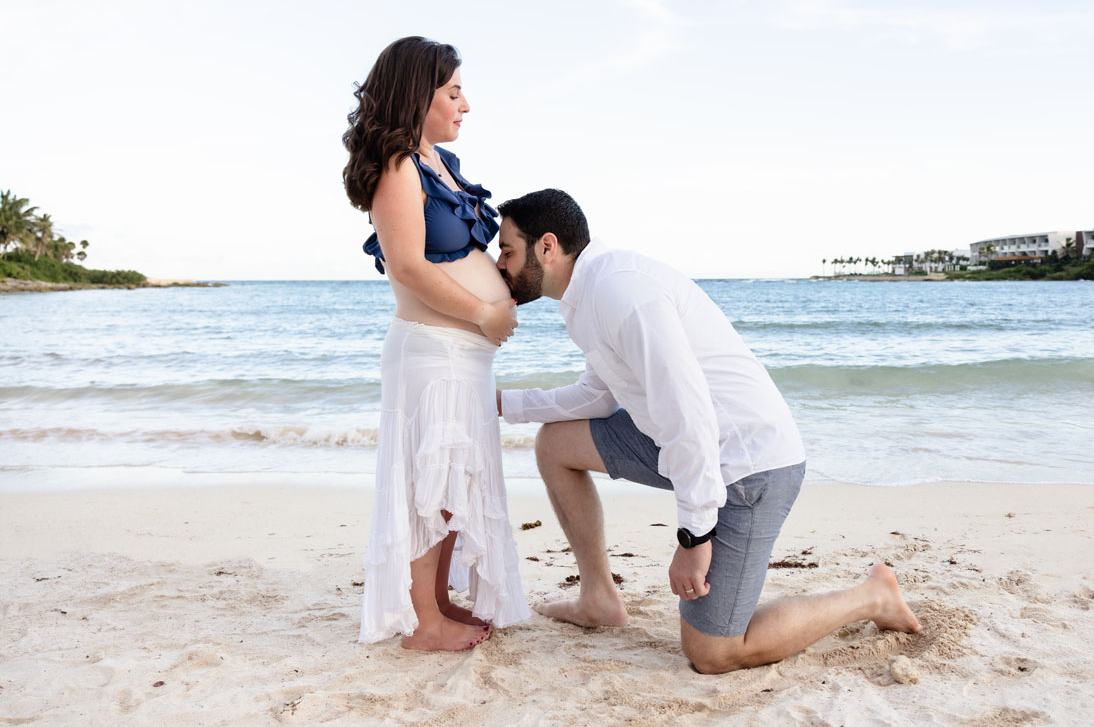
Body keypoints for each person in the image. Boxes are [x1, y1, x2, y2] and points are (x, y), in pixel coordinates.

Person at [494, 189, 922, 673]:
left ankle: (872, 597)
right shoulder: (586, 297)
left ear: (547, 247)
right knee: (556, 443)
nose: (500, 263)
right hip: (684, 444)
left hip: (749, 466)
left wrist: (694, 538)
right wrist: (501, 404)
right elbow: (597, 396)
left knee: (713, 653)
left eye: (507, 251)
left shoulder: (620, 292)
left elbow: (687, 413)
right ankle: (598, 598)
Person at [343, 37, 530, 651]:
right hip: (433, 352)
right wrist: (482, 311)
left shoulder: (438, 166)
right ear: (417, 96)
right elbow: (408, 268)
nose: (465, 105)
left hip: (461, 358)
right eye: (453, 92)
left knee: (452, 484)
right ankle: (423, 622)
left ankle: (439, 600)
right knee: (434, 487)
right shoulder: (398, 166)